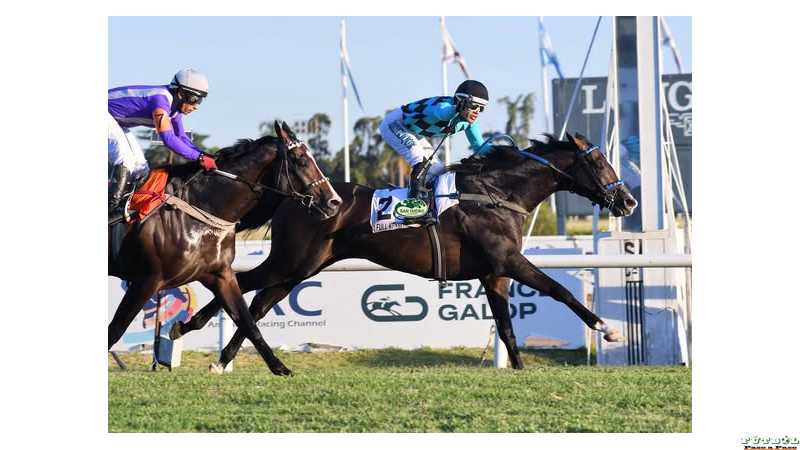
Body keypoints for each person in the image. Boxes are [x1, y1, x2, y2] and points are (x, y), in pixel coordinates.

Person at [108, 68, 217, 223]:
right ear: (180, 93)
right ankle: (109, 211)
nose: (197, 106)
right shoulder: (160, 101)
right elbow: (168, 138)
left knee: (141, 168)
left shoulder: (175, 110)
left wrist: (203, 154)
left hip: (114, 120)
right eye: (195, 99)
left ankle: (125, 205)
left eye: (200, 100)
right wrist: (198, 157)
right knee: (126, 160)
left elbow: (181, 137)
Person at [378, 80, 494, 223]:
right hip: (396, 124)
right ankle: (413, 210)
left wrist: (509, 153)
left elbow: (479, 146)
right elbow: (441, 113)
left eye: (481, 109)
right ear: (460, 101)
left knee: (438, 170)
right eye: (474, 106)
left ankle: (420, 202)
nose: (477, 112)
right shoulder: (444, 106)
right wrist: (456, 109)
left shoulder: (469, 123)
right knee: (419, 159)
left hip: (413, 131)